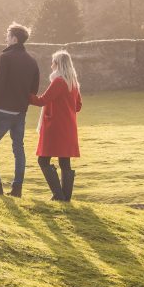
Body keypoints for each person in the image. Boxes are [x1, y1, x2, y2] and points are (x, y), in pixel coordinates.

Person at [0, 23, 40, 197]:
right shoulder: (32, 61)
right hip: (20, 113)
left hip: (3, 112)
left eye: (7, 36)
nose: (6, 40)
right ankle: (17, 189)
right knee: (18, 148)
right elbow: (34, 89)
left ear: (14, 39)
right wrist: (22, 103)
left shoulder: (5, 58)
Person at [29, 50, 83, 202]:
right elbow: (78, 106)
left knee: (43, 161)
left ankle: (59, 196)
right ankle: (65, 198)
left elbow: (42, 100)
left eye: (53, 62)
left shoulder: (58, 82)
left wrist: (25, 95)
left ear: (58, 64)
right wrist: (65, 108)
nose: (51, 65)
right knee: (64, 162)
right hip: (69, 127)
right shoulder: (73, 83)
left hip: (55, 128)